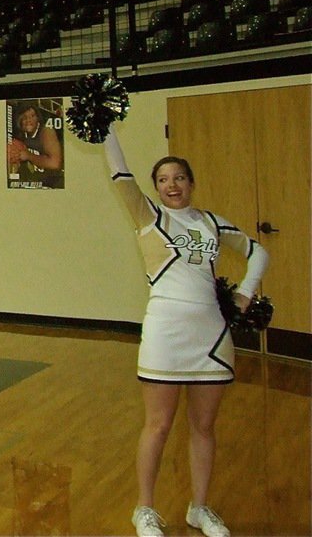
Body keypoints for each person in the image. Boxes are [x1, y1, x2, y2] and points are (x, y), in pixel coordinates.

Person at [103, 127, 269, 537]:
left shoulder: (212, 223)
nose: (171, 185)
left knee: (204, 427)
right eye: (162, 179)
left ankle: (200, 507)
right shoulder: (148, 216)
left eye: (178, 178)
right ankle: (143, 509)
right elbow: (119, 171)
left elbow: (258, 252)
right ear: (155, 187)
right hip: (165, 331)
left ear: (191, 183)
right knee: (157, 426)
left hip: (211, 336)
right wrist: (105, 124)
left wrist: (245, 294)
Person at [8, 103, 63, 188]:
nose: (28, 120)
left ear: (38, 118)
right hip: (34, 181)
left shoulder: (46, 132)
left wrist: (28, 155)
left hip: (54, 184)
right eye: (25, 117)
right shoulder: (20, 136)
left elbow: (55, 164)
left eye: (32, 116)